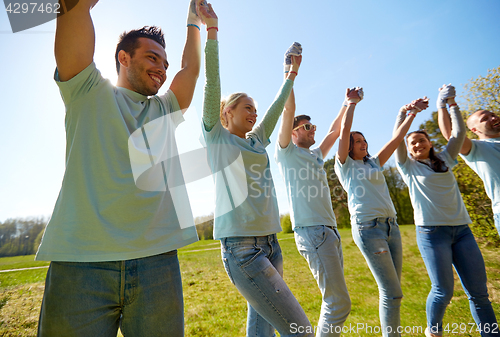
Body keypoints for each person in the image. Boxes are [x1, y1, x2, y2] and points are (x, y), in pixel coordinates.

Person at [36, 0, 205, 335]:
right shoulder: (87, 90)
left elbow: (190, 70)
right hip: (81, 263)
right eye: (152, 58)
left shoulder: (165, 110)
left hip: (157, 262)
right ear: (123, 58)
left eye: (164, 62)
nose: (162, 68)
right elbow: (72, 11)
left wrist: (194, 22)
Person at [199, 5, 313, 336]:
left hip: (270, 244)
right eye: (247, 108)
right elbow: (212, 82)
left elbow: (277, 109)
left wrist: (290, 75)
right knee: (300, 330)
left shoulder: (256, 142)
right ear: (227, 111)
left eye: (255, 110)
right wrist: (212, 32)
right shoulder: (216, 138)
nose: (254, 113)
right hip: (242, 249)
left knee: (261, 328)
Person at [395, 86, 498, 337]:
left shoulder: (446, 159)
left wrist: (451, 104)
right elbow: (397, 139)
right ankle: (434, 330)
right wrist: (403, 114)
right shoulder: (408, 168)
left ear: (430, 142)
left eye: (421, 139)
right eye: (412, 143)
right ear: (408, 150)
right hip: (432, 233)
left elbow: (458, 132)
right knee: (443, 290)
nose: (417, 144)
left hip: (462, 231)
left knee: (479, 292)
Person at [335, 88, 429, 337]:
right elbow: (344, 131)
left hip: (392, 228)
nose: (362, 143)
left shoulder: (374, 162)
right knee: (392, 292)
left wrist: (413, 114)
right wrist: (351, 103)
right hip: (369, 229)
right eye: (357, 141)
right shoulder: (345, 166)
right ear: (348, 147)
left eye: (364, 140)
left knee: (394, 291)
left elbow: (397, 139)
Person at [274, 66, 350, 336]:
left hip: (329, 232)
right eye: (307, 126)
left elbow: (333, 131)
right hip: (313, 232)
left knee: (337, 301)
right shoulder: (287, 152)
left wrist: (346, 104)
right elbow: (287, 111)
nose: (313, 129)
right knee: (338, 302)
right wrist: (290, 72)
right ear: (293, 132)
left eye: (312, 126)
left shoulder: (316, 155)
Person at [437, 84, 500, 236]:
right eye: (485, 119)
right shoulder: (478, 149)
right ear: (475, 130)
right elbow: (452, 136)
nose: (493, 118)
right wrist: (445, 104)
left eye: (492, 114)